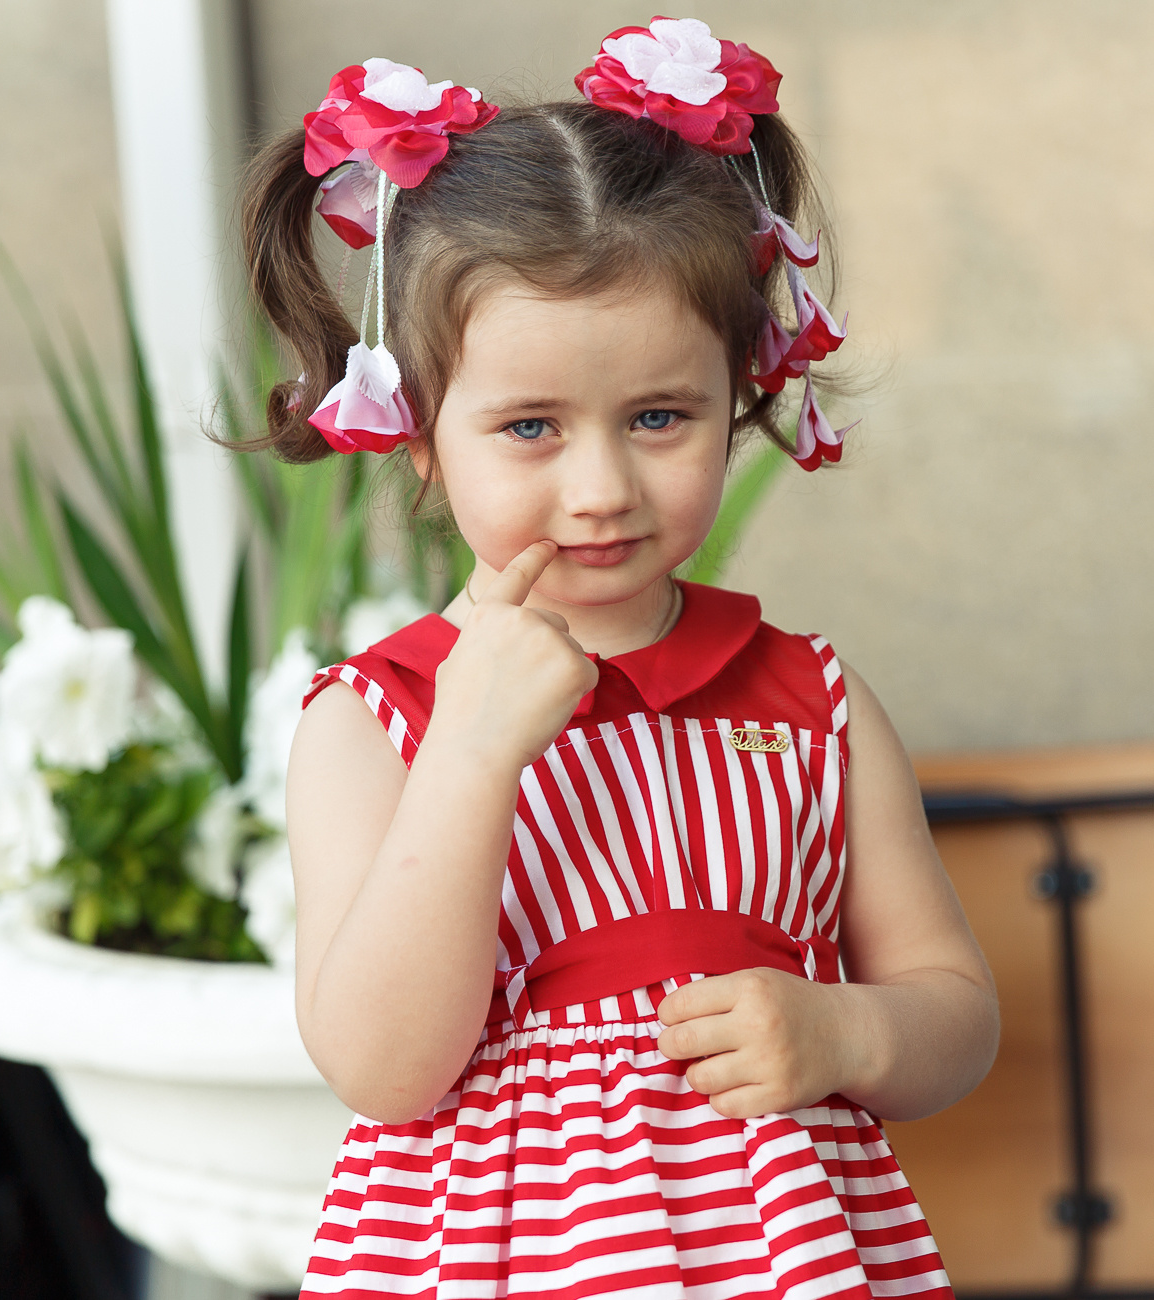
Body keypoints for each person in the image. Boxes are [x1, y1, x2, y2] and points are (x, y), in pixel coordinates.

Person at [239, 19, 999, 1297]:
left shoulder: (810, 701)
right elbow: (384, 1068)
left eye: (659, 416)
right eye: (529, 425)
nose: (601, 487)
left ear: (739, 395)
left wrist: (847, 1026)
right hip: (496, 1261)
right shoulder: (376, 722)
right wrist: (474, 752)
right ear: (420, 434)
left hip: (786, 1259)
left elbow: (955, 1011)